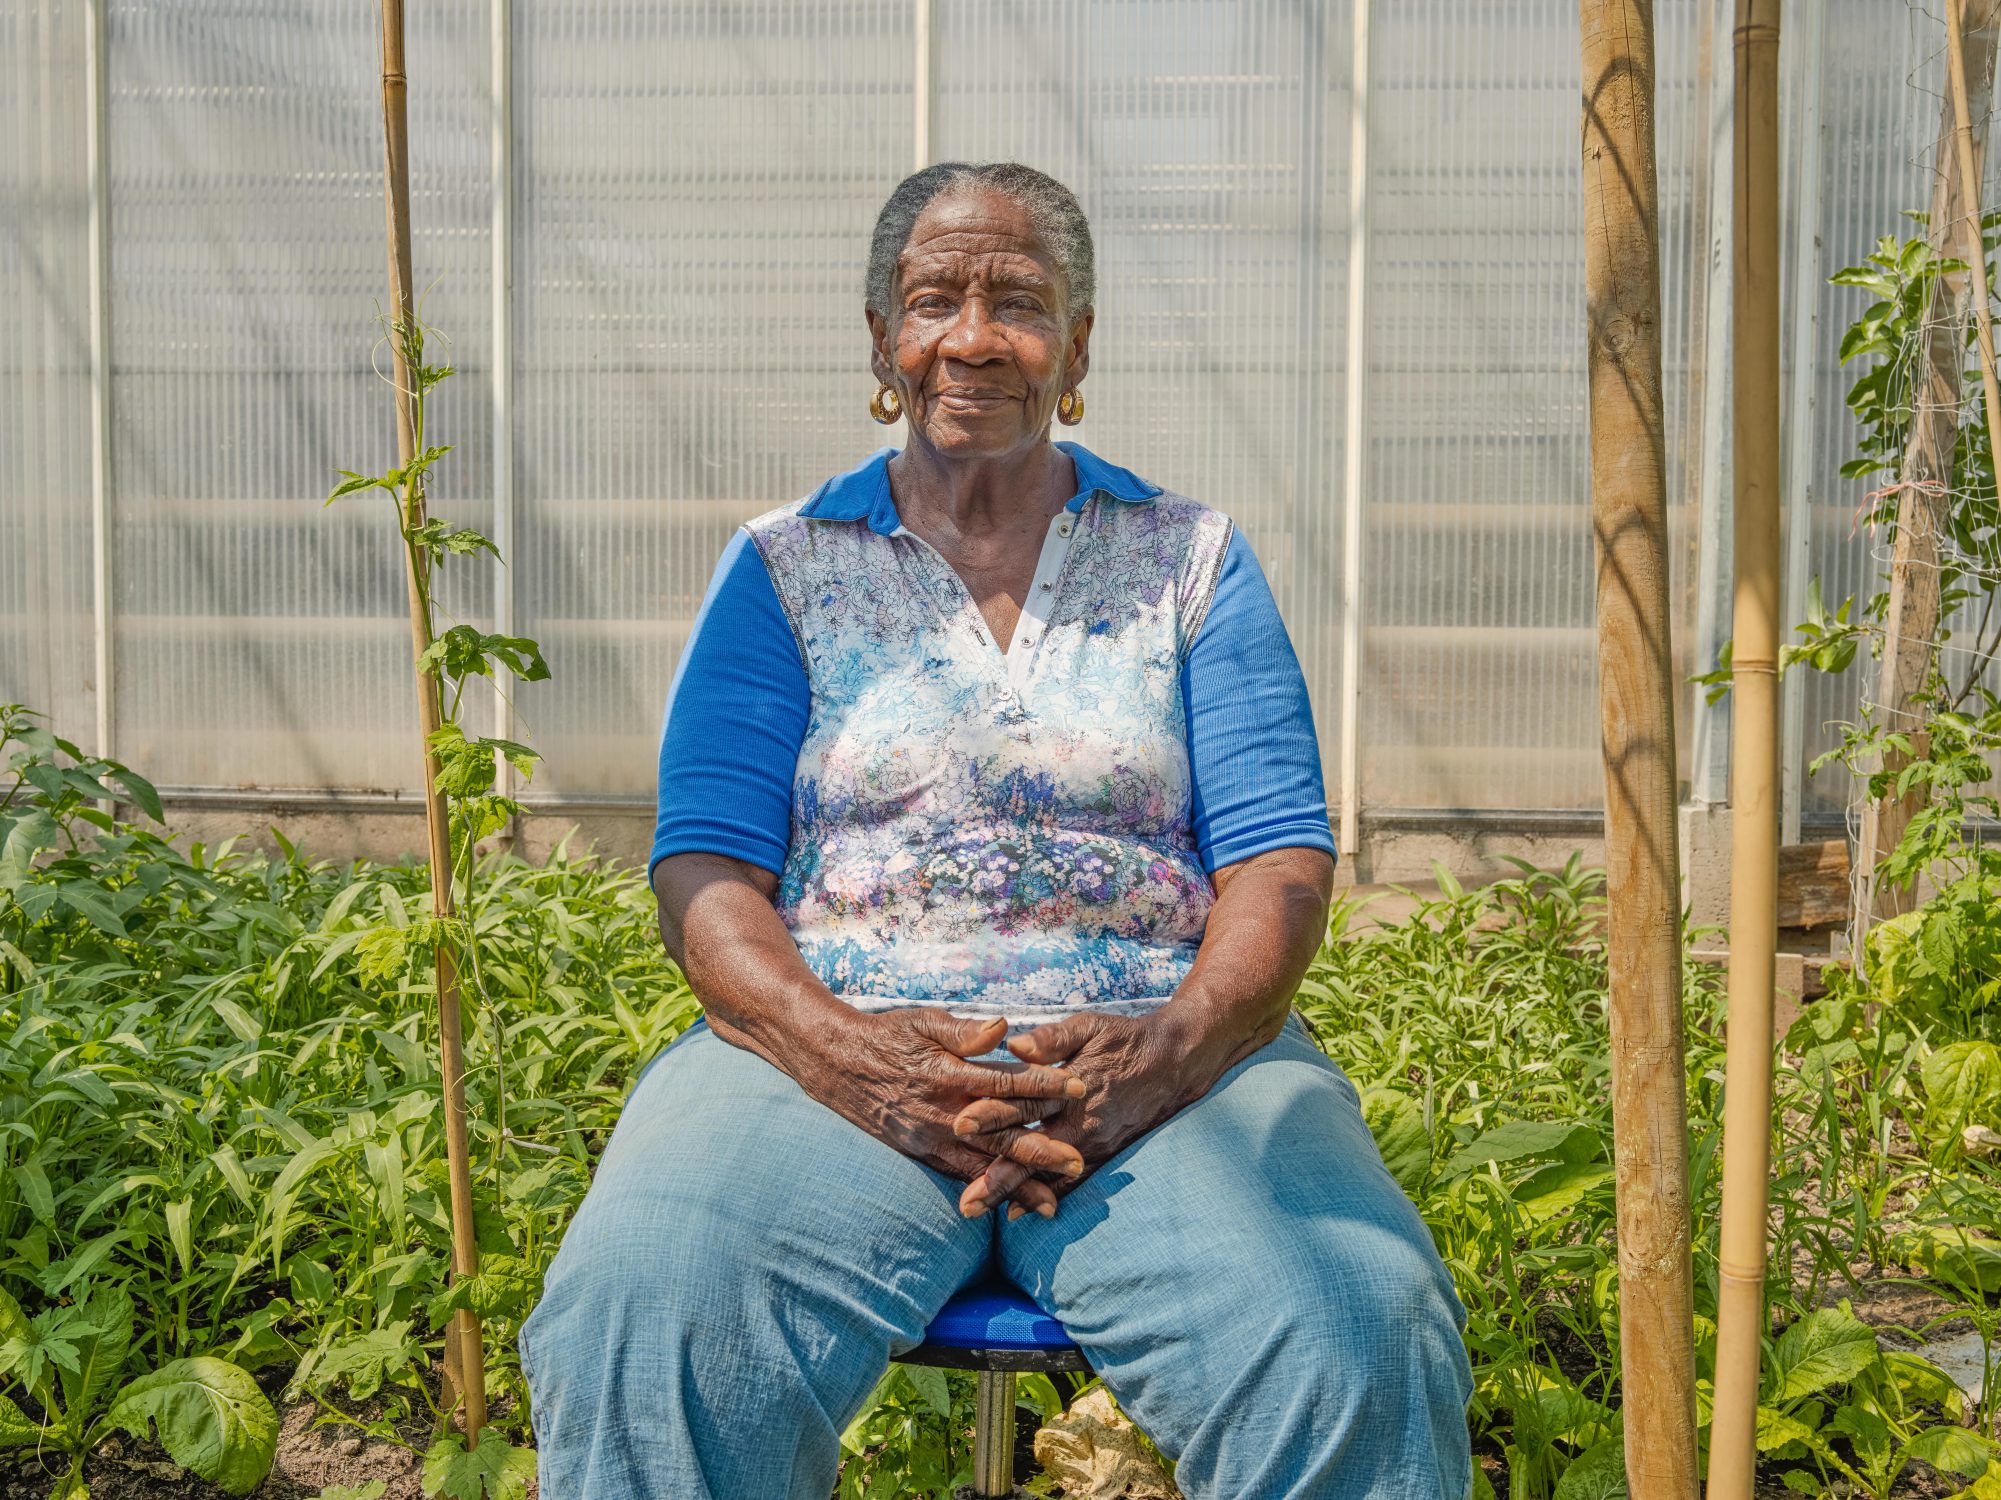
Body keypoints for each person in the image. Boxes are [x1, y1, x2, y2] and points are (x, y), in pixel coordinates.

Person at [519, 161, 1473, 1500]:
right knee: (644, 1314)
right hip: (825, 1057)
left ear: (1075, 348)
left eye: (1017, 303)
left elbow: (1277, 856)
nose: (973, 337)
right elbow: (705, 871)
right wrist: (852, 1057)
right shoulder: (786, 563)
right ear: (882, 341)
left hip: (1155, 1066)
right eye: (933, 301)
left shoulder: (1187, 556)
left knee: (1353, 1330)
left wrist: (1169, 1052)